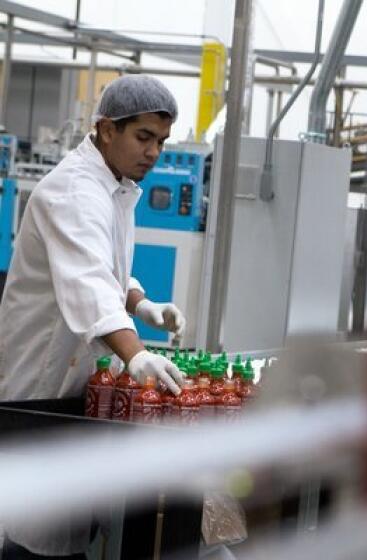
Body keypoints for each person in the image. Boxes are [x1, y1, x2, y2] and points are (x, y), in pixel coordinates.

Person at [0, 75, 186, 558]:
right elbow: (85, 280)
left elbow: (107, 269)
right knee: (34, 524)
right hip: (37, 381)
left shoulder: (115, 185)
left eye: (161, 142)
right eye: (143, 137)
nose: (153, 153)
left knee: (63, 517)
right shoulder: (74, 190)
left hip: (71, 379)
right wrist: (138, 355)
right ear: (107, 129)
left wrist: (142, 302)